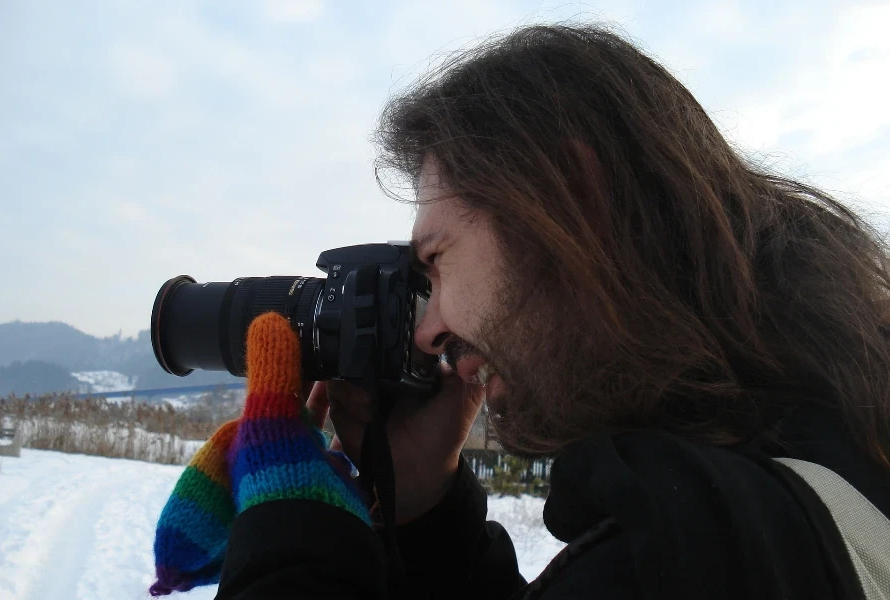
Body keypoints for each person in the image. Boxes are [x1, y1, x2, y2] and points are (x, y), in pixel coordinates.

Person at [214, 24, 890, 599]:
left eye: (438, 259)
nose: (429, 329)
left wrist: (289, 541)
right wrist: (428, 515)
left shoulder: (687, 556)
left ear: (572, 199)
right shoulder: (830, 441)